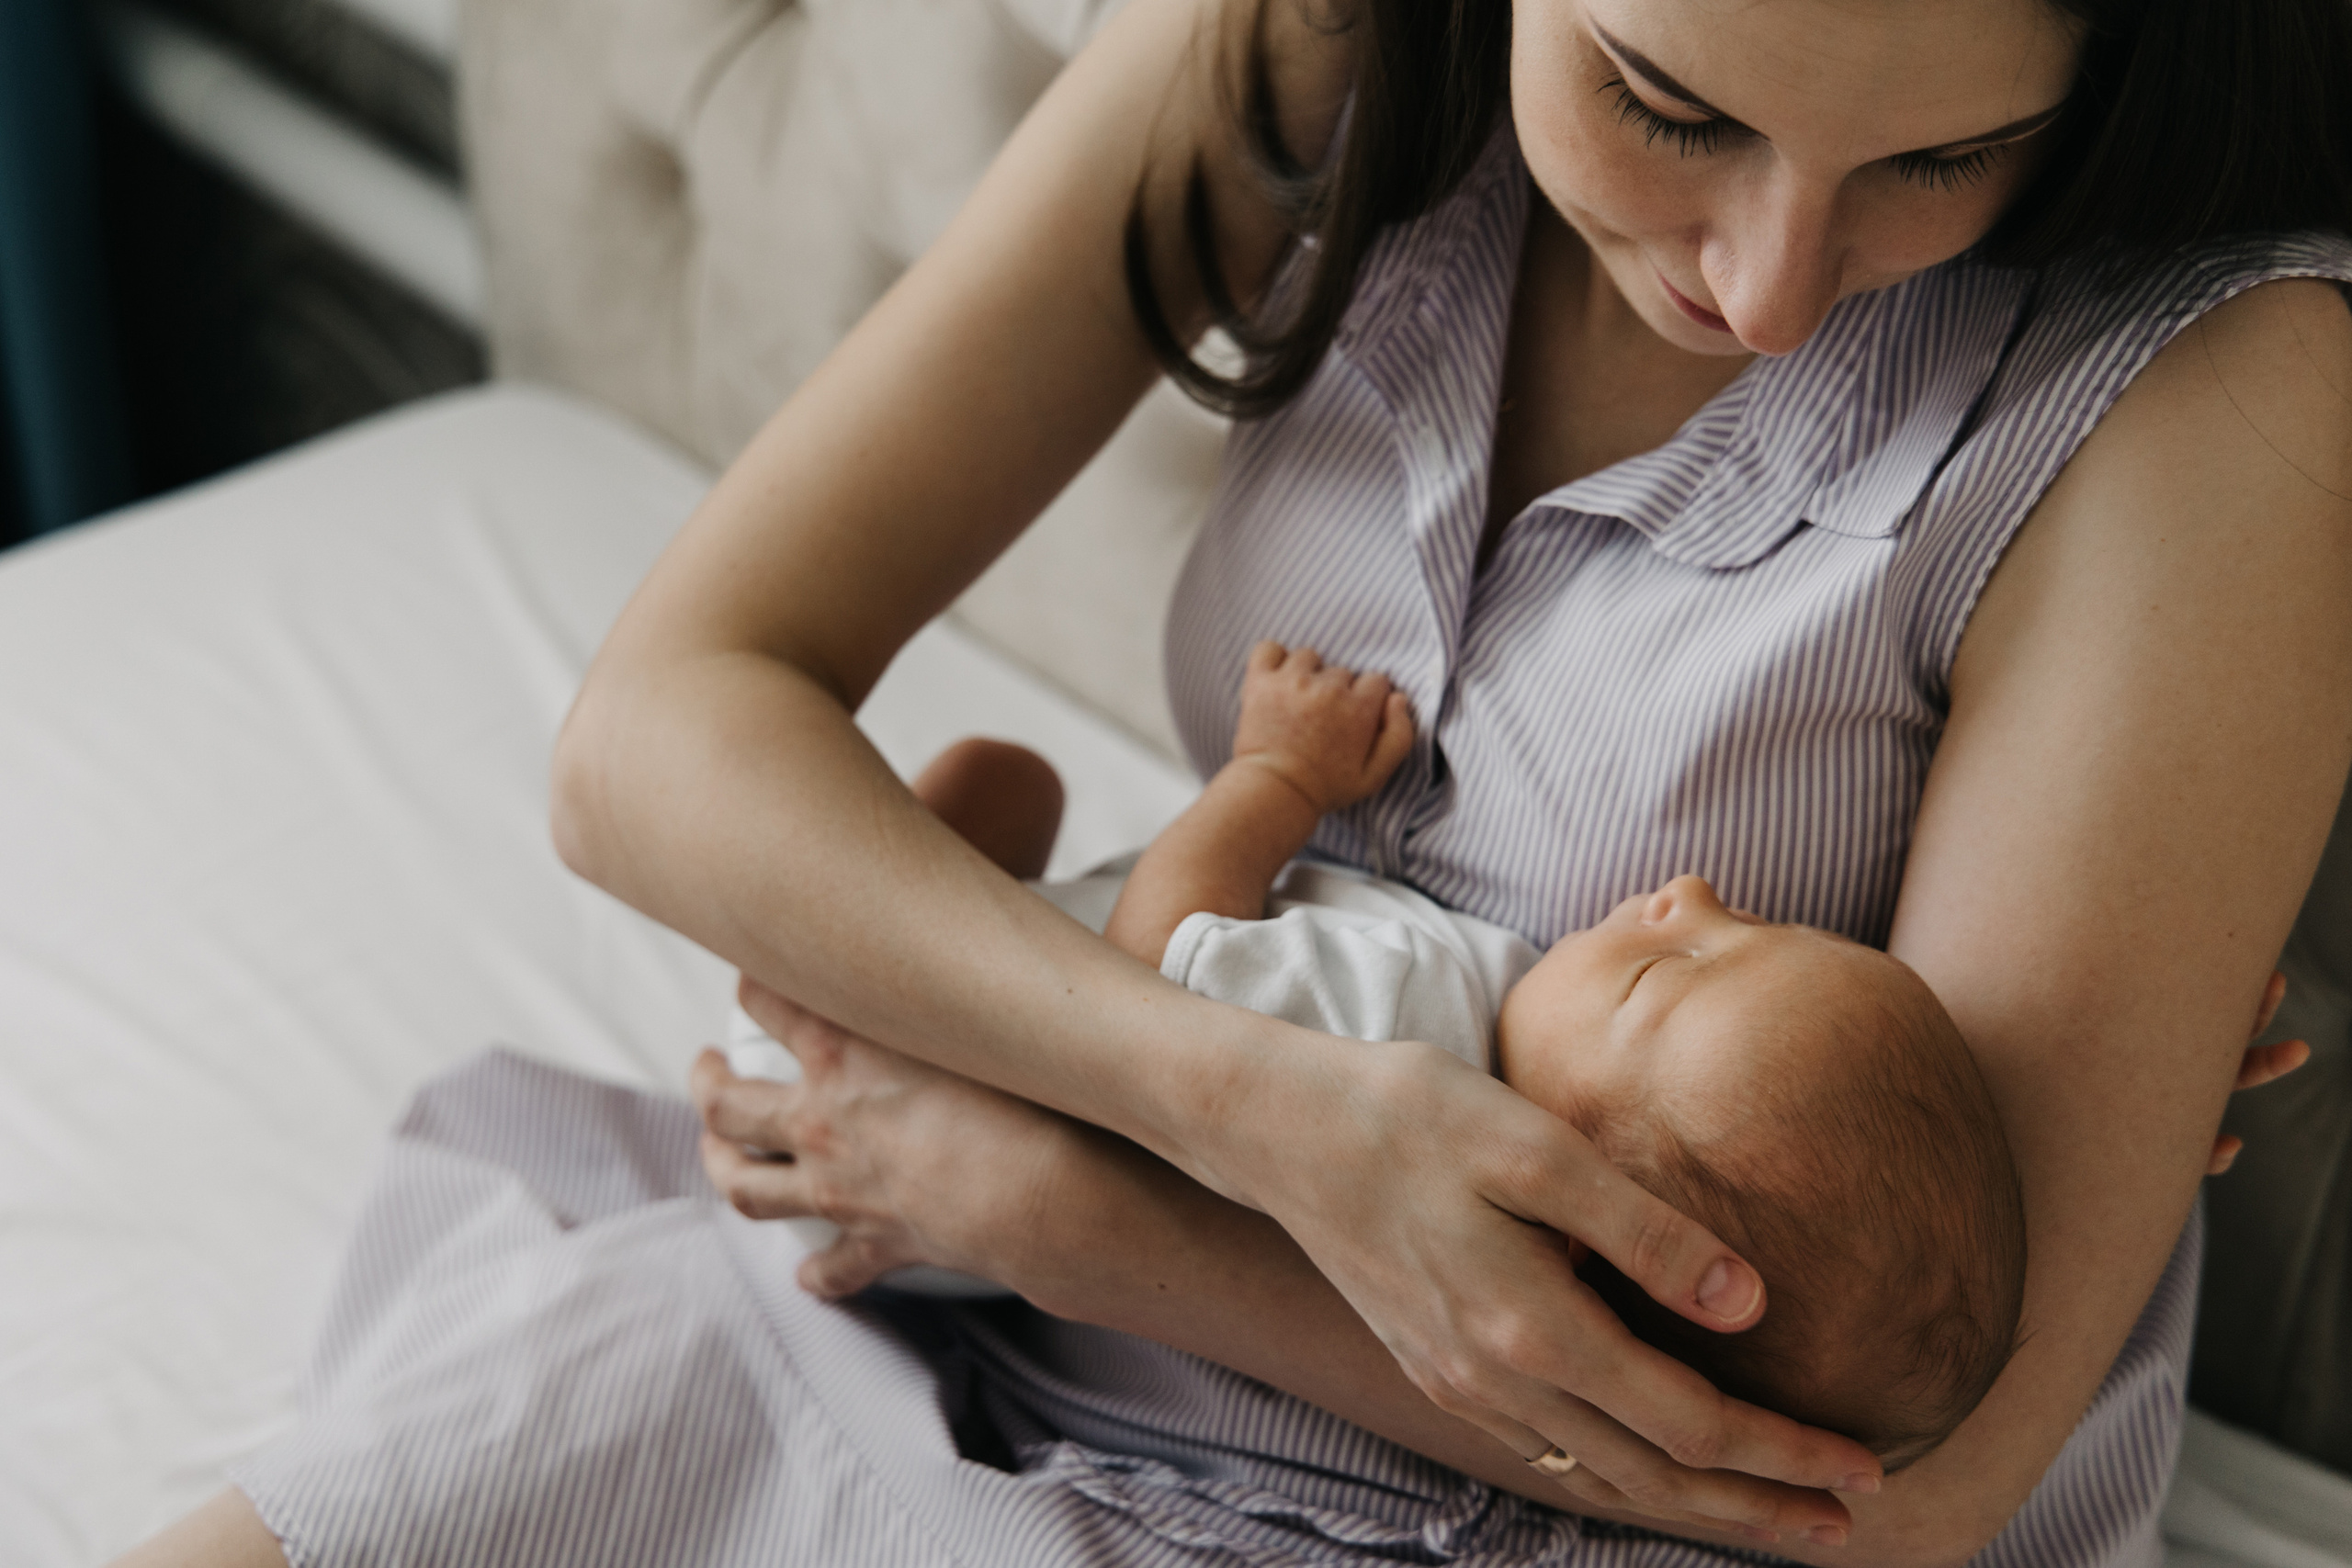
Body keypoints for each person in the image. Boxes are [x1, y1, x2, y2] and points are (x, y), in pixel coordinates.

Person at [116, 0, 2352, 1563]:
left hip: (1559, 1497)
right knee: (517, 1428)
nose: (1765, 285)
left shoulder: (2213, 394)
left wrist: (1070, 1197)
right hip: (1014, 1253)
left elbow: (1918, 1483)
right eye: (1661, 102)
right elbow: (654, 740)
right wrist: (1204, 1100)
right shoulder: (1314, 41)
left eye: (1937, 154)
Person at [865, 638, 2030, 1468]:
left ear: (1580, 1210)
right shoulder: (1500, 1042)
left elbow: (1154, 954)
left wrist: (1279, 778)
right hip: (946, 1146)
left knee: (1001, 779)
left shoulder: (1408, 1027)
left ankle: (801, 992)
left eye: (1668, 970)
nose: (1692, 894)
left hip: (897, 1092)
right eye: (1758, 929)